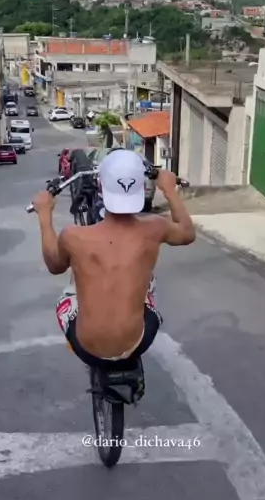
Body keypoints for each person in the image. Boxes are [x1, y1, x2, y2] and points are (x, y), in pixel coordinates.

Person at [31, 149, 195, 384]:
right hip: (139, 342)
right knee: (148, 281)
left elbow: (54, 265)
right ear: (140, 188)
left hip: (87, 348)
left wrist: (45, 216)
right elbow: (187, 233)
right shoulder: (156, 227)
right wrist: (169, 189)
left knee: (71, 288)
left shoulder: (72, 236)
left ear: (101, 186)